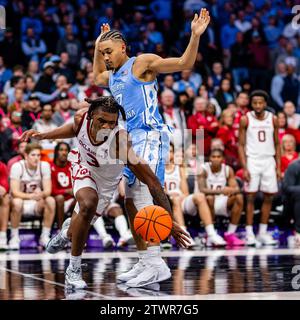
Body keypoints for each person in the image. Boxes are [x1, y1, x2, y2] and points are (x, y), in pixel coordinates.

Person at [92, 9, 210, 286]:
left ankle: (157, 263)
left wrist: (194, 36)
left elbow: (184, 62)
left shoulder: (142, 63)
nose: (106, 57)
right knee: (130, 200)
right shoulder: (113, 76)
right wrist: (97, 45)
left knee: (144, 193)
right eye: (103, 53)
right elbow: (97, 75)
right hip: (130, 138)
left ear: (123, 48)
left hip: (150, 135)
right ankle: (145, 260)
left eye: (109, 51)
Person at [21, 96, 190, 289]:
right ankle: (73, 269)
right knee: (87, 203)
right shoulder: (80, 118)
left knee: (80, 225)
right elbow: (72, 129)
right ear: (91, 115)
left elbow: (152, 182)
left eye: (112, 123)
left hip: (107, 184)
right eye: (102, 121)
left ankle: (66, 233)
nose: (106, 127)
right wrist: (43, 136)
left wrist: (169, 220)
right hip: (83, 166)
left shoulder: (120, 142)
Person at [238, 90, 281, 246]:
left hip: (269, 160)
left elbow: (277, 143)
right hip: (253, 160)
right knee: (250, 197)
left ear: (265, 103)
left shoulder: (273, 119)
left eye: (260, 102)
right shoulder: (245, 119)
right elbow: (240, 145)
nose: (257, 105)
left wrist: (278, 166)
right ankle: (249, 233)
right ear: (251, 103)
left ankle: (262, 233)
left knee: (269, 196)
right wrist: (245, 167)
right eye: (255, 102)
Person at [164, 143, 226, 247]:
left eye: (170, 151)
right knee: (174, 199)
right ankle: (183, 235)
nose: (167, 154)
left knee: (200, 196)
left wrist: (180, 197)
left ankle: (211, 234)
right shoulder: (157, 169)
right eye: (165, 151)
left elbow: (185, 192)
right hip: (166, 202)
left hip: (180, 201)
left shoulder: (179, 169)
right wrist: (170, 194)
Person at [9, 143, 56, 249]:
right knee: (17, 202)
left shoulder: (44, 166)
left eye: (38, 155)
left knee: (50, 200)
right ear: (26, 155)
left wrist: (41, 194)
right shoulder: (17, 166)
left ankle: (45, 236)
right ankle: (14, 237)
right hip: (21, 202)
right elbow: (15, 192)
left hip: (37, 203)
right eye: (33, 155)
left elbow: (48, 191)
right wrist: (31, 197)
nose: (36, 158)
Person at [198, 148, 245, 246]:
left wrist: (231, 190)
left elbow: (237, 188)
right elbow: (202, 189)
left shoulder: (228, 170)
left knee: (239, 197)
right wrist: (220, 191)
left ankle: (230, 234)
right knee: (210, 198)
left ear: (222, 159)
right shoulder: (203, 169)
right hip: (206, 204)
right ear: (209, 159)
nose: (216, 159)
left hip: (222, 202)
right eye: (213, 157)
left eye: (218, 157)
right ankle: (210, 233)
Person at [51, 142, 75, 229]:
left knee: (81, 198)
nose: (64, 153)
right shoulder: (50, 167)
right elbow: (51, 190)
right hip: (56, 201)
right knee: (60, 198)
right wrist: (67, 191)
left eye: (66, 150)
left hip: (71, 200)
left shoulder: (73, 166)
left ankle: (75, 231)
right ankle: (60, 230)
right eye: (61, 150)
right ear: (56, 152)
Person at [0, 161, 9, 250]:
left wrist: (3, 189)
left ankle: (2, 236)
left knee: (5, 198)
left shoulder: (1, 166)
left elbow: (5, 185)